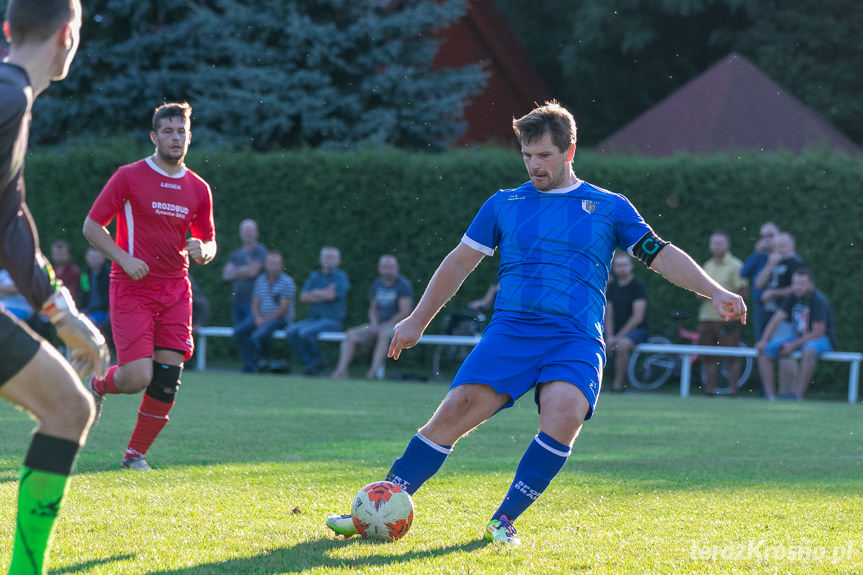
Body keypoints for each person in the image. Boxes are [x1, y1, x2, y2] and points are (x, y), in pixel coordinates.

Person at [324, 101, 746, 545]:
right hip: (511, 332)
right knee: (453, 412)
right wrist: (416, 319)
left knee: (565, 414)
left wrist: (714, 291)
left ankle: (503, 519)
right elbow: (460, 262)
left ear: (569, 151)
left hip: (575, 339)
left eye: (543, 155)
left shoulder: (608, 206)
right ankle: (376, 508)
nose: (533, 165)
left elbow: (660, 253)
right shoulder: (503, 204)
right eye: (527, 155)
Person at [0, 1, 110, 572]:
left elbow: (10, 222)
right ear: (68, 36)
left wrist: (61, 311)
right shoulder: (9, 96)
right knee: (68, 408)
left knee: (69, 406)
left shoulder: (13, 97)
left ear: (7, 29)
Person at [82, 101, 217, 471]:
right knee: (137, 377)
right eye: (169, 131)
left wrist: (203, 250)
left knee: (167, 378)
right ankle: (97, 386)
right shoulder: (129, 176)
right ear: (154, 136)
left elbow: (210, 242)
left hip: (176, 291)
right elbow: (92, 227)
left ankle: (134, 455)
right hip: (132, 288)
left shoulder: (199, 189)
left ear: (189, 137)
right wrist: (124, 259)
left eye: (182, 132)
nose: (176, 138)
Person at [755, 268, 834, 401]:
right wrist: (763, 340)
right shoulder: (792, 297)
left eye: (802, 283)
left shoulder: (817, 300)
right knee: (764, 350)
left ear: (811, 284)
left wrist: (792, 345)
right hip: (798, 338)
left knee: (809, 350)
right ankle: (770, 396)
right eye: (795, 283)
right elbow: (776, 319)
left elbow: (817, 332)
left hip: (822, 339)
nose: (798, 287)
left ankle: (797, 396)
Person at [330, 254, 413, 380]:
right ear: (379, 268)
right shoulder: (377, 284)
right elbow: (373, 309)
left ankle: (372, 374)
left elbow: (405, 311)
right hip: (377, 325)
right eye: (385, 267)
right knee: (351, 334)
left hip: (397, 326)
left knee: (384, 335)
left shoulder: (403, 285)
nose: (387, 270)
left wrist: (386, 325)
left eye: (390, 267)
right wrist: (374, 324)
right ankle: (341, 371)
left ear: (397, 268)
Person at [697, 231, 748, 395]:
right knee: (707, 356)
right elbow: (698, 290)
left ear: (727, 246)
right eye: (714, 243)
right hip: (706, 318)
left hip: (727, 319)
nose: (717, 246)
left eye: (720, 243)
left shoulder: (736, 265)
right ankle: (709, 391)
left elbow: (742, 291)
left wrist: (730, 313)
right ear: (710, 246)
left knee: (731, 357)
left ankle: (734, 392)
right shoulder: (707, 265)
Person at [285, 246, 349, 375]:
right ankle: (310, 364)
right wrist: (324, 293)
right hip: (313, 319)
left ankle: (319, 361)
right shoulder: (314, 276)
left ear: (338, 261)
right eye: (326, 257)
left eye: (332, 257)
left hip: (333, 320)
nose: (329, 260)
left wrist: (314, 293)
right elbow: (303, 297)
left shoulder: (341, 277)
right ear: (320, 259)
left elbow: (332, 296)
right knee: (290, 332)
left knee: (305, 333)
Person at [233, 251, 296, 373]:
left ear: (281, 266)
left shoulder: (287, 282)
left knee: (262, 333)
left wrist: (264, 321)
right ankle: (250, 364)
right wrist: (257, 318)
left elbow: (283, 310)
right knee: (239, 332)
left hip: (280, 320)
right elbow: (255, 302)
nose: (273, 266)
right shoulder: (260, 280)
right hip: (261, 318)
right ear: (266, 265)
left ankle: (263, 361)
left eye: (276, 264)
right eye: (271, 263)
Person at [221, 219, 267, 372]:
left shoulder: (260, 251)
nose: (247, 234)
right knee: (241, 334)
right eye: (245, 231)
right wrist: (244, 270)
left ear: (257, 233)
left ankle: (256, 363)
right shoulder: (236, 254)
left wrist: (237, 271)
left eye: (250, 231)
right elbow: (226, 275)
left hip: (254, 302)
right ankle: (249, 366)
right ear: (241, 233)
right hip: (237, 301)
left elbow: (253, 271)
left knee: (243, 332)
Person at [604, 252, 648, 392]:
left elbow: (637, 317)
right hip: (614, 331)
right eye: (618, 266)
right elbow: (608, 314)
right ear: (614, 268)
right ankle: (595, 385)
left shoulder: (638, 286)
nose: (622, 268)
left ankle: (618, 385)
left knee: (622, 345)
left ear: (631, 266)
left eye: (625, 265)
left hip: (637, 331)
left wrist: (617, 337)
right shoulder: (611, 287)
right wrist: (609, 337)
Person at [740, 222, 779, 342]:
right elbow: (743, 273)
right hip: (761, 308)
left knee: (780, 346)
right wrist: (756, 253)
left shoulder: (783, 255)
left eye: (770, 236)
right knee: (761, 345)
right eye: (764, 237)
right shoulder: (760, 256)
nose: (767, 240)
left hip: (780, 307)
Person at [755, 232, 804, 325]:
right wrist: (770, 265)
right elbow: (759, 284)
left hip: (785, 314)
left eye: (782, 246)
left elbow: (798, 288)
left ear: (792, 246)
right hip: (767, 311)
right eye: (776, 247)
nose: (778, 250)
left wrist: (774, 293)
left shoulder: (796, 264)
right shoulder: (772, 262)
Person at [78, 246, 111, 327]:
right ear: (86, 258)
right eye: (92, 257)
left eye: (97, 258)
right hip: (88, 311)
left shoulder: (109, 275)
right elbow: (83, 292)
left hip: (103, 312)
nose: (94, 261)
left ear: (103, 257)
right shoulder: (85, 275)